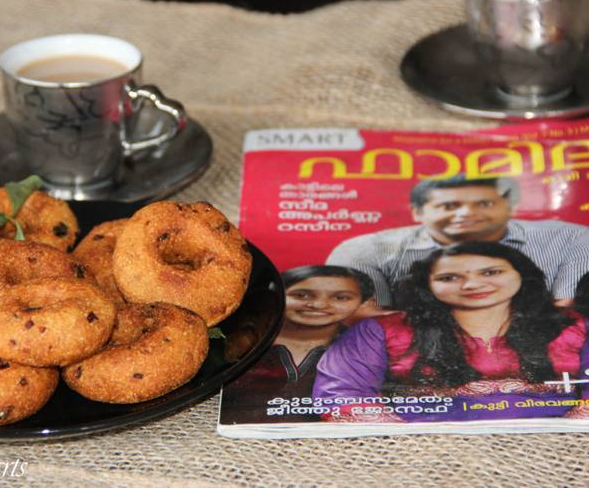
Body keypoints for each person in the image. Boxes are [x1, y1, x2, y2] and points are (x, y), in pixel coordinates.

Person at [313, 242, 589, 422]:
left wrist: (564, 439)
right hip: (416, 457)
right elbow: (341, 395)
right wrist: (409, 446)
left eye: (491, 272)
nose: (471, 284)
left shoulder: (574, 326)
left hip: (557, 454)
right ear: (426, 285)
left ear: (522, 275)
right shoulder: (378, 331)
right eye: (449, 277)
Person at [326, 175, 589, 308]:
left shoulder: (572, 237)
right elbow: (362, 321)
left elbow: (570, 312)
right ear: (417, 212)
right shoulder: (363, 249)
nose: (466, 214)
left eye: (484, 203)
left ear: (509, 206)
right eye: (449, 205)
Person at [219, 265, 374, 424]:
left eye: (341, 298)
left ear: (365, 302)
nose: (318, 305)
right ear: (278, 295)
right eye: (301, 295)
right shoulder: (245, 342)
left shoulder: (369, 350)